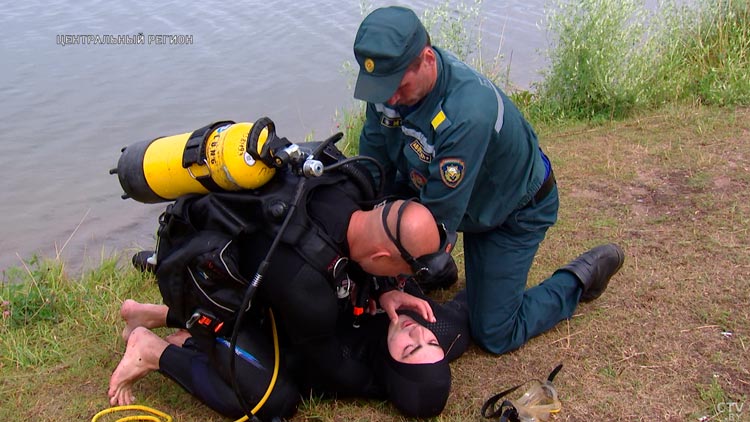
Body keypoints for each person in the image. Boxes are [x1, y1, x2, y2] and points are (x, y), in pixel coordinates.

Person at [351, 6, 625, 355]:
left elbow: (432, 224)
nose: (388, 98)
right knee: (405, 244)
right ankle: (442, 271)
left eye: (397, 85)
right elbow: (373, 166)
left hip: (510, 212)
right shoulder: (388, 91)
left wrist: (388, 273)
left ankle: (579, 279)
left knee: (494, 332)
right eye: (380, 87)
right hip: (435, 187)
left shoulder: (466, 113)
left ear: (427, 59)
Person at [109, 195, 471, 420]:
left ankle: (152, 347)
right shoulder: (316, 298)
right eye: (431, 341)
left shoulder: (353, 187)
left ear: (392, 364)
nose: (418, 332)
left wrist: (384, 287)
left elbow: (286, 335)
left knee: (267, 401)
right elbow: (464, 316)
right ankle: (184, 325)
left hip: (249, 272)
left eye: (412, 347)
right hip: (223, 267)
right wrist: (385, 287)